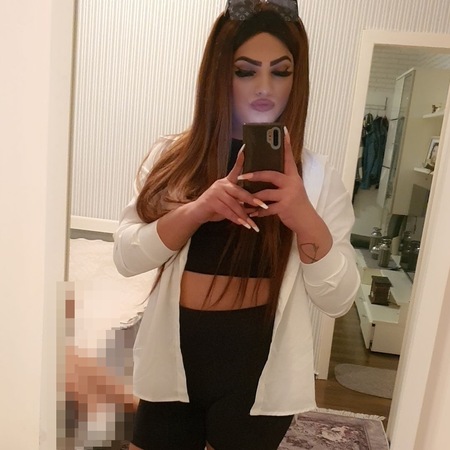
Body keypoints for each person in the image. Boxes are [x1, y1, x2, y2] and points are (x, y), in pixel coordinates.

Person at [113, 1, 360, 449]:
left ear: (297, 78)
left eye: (281, 71)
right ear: (219, 74)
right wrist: (196, 210)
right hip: (174, 362)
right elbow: (127, 257)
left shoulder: (318, 178)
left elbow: (338, 300)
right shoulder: (173, 160)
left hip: (257, 374)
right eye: (245, 71)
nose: (264, 87)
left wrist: (304, 216)